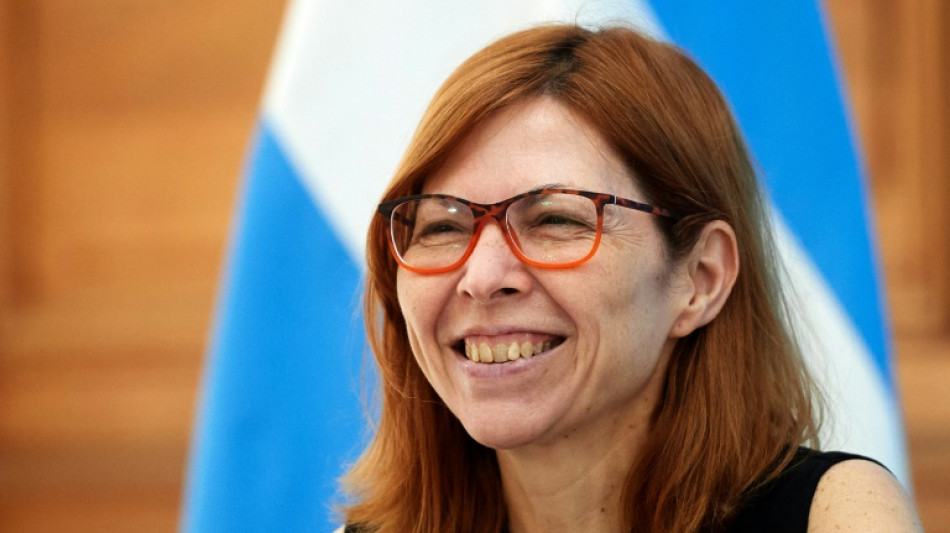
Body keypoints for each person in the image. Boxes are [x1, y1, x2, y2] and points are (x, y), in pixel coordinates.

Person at [335, 24, 922, 532]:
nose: (482, 276)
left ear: (701, 278)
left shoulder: (835, 514)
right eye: (442, 225)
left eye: (556, 220)